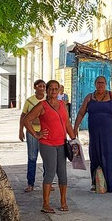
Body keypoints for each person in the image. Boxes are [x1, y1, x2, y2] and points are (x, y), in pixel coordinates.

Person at [23, 80, 76, 213]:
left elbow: (67, 124)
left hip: (61, 143)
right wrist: (36, 134)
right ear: (46, 90)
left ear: (59, 90)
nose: (53, 91)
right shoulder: (42, 106)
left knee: (63, 174)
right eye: (51, 89)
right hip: (47, 144)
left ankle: (63, 202)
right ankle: (45, 204)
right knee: (50, 172)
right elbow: (26, 120)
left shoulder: (63, 105)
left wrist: (74, 139)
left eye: (55, 89)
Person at [74, 76, 112, 193]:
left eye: (103, 83)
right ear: (95, 84)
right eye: (99, 83)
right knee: (95, 156)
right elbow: (81, 113)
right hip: (94, 133)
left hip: (110, 134)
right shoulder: (89, 98)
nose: (101, 85)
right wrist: (75, 128)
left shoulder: (111, 96)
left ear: (106, 84)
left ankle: (111, 185)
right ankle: (96, 183)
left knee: (109, 156)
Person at [18, 79, 46, 192]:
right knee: (32, 157)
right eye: (40, 86)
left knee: (47, 158)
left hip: (45, 132)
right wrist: (20, 130)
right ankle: (30, 183)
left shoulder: (48, 100)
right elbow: (23, 116)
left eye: (44, 86)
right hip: (32, 132)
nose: (42, 88)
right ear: (35, 87)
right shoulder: (29, 101)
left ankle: (47, 181)